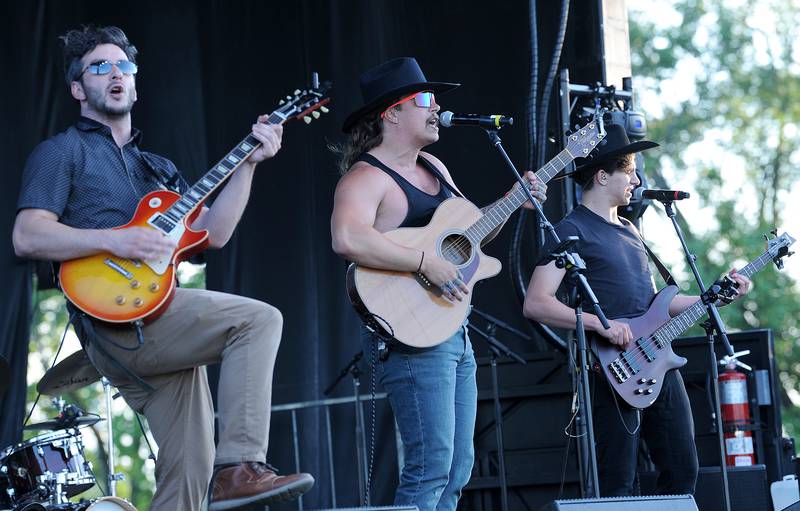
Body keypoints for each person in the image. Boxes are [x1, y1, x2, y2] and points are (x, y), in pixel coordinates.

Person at [12, 25, 314, 511]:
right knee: (258, 319)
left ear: (135, 82)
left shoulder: (158, 170)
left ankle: (217, 475)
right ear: (77, 88)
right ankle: (239, 465)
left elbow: (214, 234)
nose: (116, 74)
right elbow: (27, 236)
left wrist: (251, 164)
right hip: (113, 324)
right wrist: (116, 239)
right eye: (100, 67)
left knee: (189, 477)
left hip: (155, 322)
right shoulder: (62, 151)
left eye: (125, 66)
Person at [330, 57, 547, 511]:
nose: (436, 109)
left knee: (458, 467)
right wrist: (424, 260)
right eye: (425, 99)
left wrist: (513, 201)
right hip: (413, 337)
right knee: (431, 465)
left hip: (453, 330)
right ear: (390, 113)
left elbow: (469, 233)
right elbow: (348, 238)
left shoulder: (435, 167)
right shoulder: (365, 178)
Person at [522, 123, 752, 496]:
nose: (636, 179)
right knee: (618, 479)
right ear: (601, 176)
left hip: (657, 360)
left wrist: (717, 297)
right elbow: (537, 302)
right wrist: (600, 325)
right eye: (628, 171)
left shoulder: (631, 228)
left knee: (682, 468)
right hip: (611, 367)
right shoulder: (570, 230)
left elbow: (657, 304)